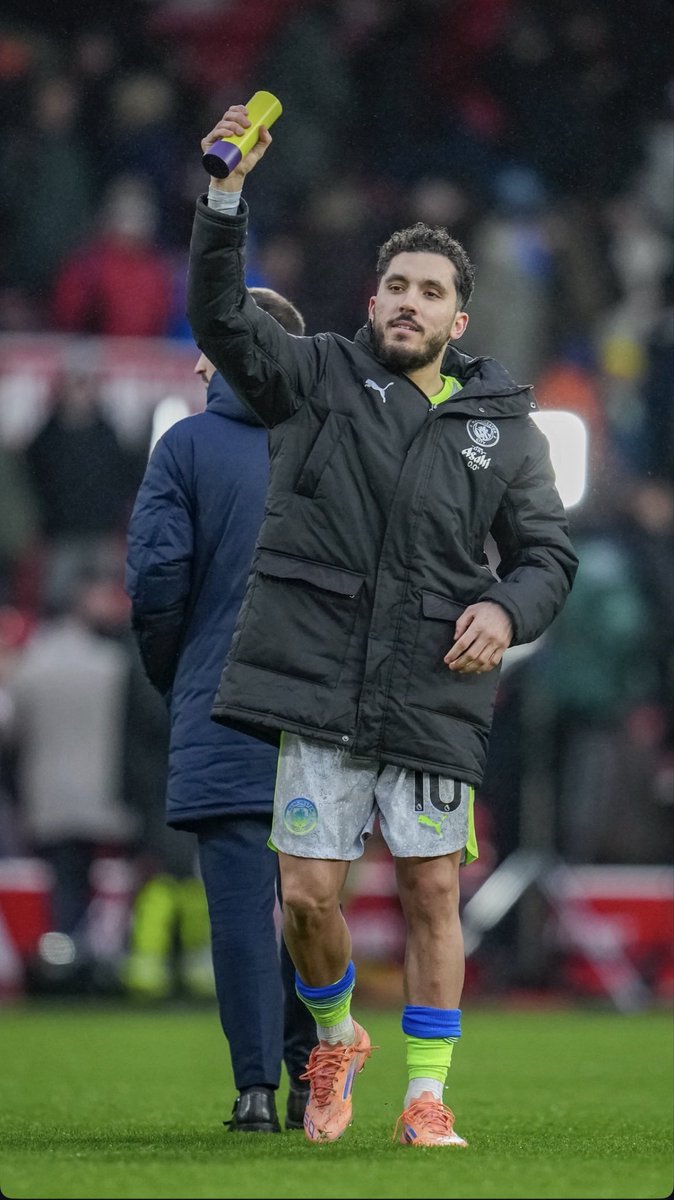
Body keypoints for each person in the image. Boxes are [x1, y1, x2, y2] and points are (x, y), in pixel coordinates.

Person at [186, 103, 579, 1149]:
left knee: (430, 888)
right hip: (315, 678)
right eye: (396, 286)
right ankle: (332, 1037)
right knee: (309, 901)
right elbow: (224, 325)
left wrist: (503, 605)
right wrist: (225, 199)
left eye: (431, 292)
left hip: (429, 681)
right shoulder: (312, 375)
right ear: (372, 300)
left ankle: (424, 1096)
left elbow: (547, 557)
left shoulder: (505, 428)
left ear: (460, 319)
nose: (409, 303)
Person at [125, 286, 316, 1133]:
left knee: (240, 901)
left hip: (222, 702)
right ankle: (318, 1074)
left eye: (210, 343)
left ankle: (255, 1094)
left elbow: (155, 583)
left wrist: (182, 675)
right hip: (319, 713)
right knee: (313, 898)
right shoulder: (329, 447)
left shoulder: (185, 447)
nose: (200, 360)